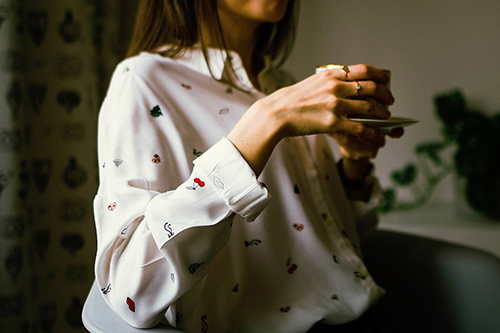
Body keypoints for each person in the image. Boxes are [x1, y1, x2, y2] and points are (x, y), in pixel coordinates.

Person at [93, 0, 404, 331]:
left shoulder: (283, 84)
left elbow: (331, 244)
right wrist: (266, 121)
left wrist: (355, 166)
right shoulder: (141, 80)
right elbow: (133, 293)